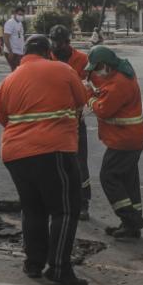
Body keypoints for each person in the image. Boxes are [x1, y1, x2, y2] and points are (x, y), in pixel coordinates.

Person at [0, 34, 89, 285]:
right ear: (49, 52)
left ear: (24, 53)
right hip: (53, 150)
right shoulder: (62, 69)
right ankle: (59, 268)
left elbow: (3, 118)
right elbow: (82, 100)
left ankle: (33, 263)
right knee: (64, 209)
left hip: (15, 154)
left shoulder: (9, 80)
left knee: (33, 208)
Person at [85, 46, 143, 239]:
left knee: (108, 177)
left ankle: (130, 219)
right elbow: (104, 85)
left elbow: (104, 109)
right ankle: (131, 225)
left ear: (105, 65)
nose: (96, 72)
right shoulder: (122, 72)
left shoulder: (119, 84)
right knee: (128, 181)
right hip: (131, 138)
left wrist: (88, 96)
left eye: (97, 68)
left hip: (124, 141)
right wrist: (92, 83)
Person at [49, 24, 92, 221]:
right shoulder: (48, 58)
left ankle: (83, 203)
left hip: (75, 120)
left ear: (68, 42)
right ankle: (60, 201)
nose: (57, 46)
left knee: (80, 164)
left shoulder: (82, 59)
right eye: (54, 42)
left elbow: (91, 85)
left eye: (60, 43)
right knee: (55, 164)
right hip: (54, 121)